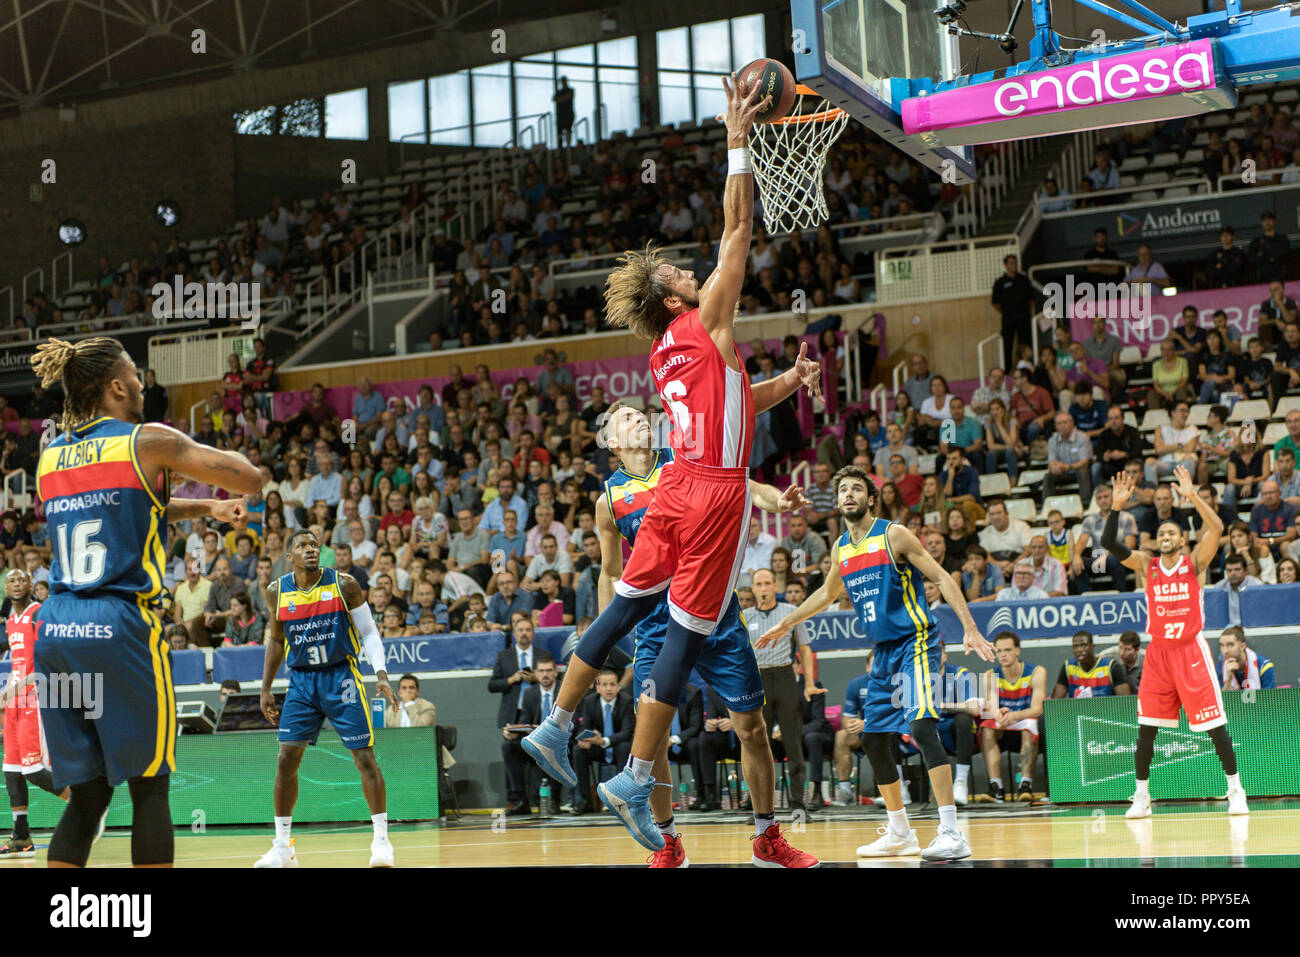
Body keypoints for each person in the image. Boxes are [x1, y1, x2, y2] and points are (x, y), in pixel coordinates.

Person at [520, 75, 822, 856]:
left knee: (623, 607)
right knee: (686, 633)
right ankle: (635, 771)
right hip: (715, 493)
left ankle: (557, 722)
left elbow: (731, 399)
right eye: (681, 275)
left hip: (678, 481)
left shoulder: (664, 350)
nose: (694, 271)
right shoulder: (706, 315)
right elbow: (739, 224)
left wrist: (787, 383)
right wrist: (735, 137)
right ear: (669, 293)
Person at [535, 401, 815, 866]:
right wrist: (611, 634)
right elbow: (610, 573)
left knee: (752, 728)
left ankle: (767, 837)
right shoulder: (609, 501)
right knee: (654, 736)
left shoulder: (686, 462)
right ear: (611, 442)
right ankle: (668, 843)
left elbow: (744, 485)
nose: (641, 419)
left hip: (718, 616)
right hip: (657, 628)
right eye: (627, 418)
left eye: (643, 414)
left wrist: (777, 500)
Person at [30, 337, 261, 869]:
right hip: (118, 623)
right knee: (149, 787)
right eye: (135, 375)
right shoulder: (148, 440)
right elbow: (248, 476)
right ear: (115, 386)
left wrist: (204, 508)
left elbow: (124, 503)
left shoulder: (50, 458)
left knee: (88, 796)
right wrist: (205, 471)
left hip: (58, 629)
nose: (141, 383)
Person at [757, 466, 994, 861]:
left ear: (871, 499)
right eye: (842, 489)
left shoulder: (894, 534)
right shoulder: (840, 548)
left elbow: (944, 578)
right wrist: (786, 621)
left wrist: (968, 627)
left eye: (856, 489)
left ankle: (952, 831)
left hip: (916, 641)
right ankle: (900, 832)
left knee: (921, 725)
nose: (848, 494)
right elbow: (826, 595)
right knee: (872, 738)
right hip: (883, 652)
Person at [1104, 466, 1248, 818]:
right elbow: (1109, 544)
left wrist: (1193, 496)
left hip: (1189, 651)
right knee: (1147, 730)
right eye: (1162, 532)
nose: (1165, 534)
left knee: (1215, 728)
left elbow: (1216, 529)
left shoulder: (1195, 562)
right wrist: (1117, 508)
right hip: (1158, 654)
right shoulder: (1146, 564)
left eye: (1172, 531)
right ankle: (1141, 796)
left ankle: (1235, 790)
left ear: (1182, 539)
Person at [255, 529, 399, 867]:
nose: (310, 550)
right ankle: (283, 848)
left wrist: (380, 674)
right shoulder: (276, 591)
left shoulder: (344, 584)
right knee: (286, 759)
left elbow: (369, 632)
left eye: (314, 545)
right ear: (288, 557)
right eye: (302, 546)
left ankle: (381, 841)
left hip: (341, 676)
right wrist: (265, 688)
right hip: (302, 681)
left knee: (364, 758)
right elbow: (276, 641)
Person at [0, 570, 70, 856]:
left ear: (32, 585)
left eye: (22, 580)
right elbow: (19, 664)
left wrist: (18, 688)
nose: (17, 584)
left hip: (35, 699)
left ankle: (83, 803)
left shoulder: (37, 613)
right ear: (5, 587)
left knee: (32, 769)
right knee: (11, 770)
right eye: (12, 581)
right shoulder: (11, 621)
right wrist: (8, 692)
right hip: (15, 703)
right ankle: (22, 836)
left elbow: (48, 662)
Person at [978, 631, 1048, 800]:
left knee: (1029, 726)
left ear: (1017, 650)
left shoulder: (1037, 672)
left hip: (1026, 730)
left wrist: (1014, 715)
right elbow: (989, 709)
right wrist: (998, 715)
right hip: (1003, 729)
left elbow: (1037, 709)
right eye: (999, 651)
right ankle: (996, 788)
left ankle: (1025, 785)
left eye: (1007, 650)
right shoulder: (989, 675)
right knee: (986, 728)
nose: (1003, 655)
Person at [1051, 631, 1132, 698]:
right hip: (1077, 715)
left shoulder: (1111, 666)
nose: (1079, 650)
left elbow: (1125, 704)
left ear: (1092, 647)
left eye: (1084, 645)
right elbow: (1054, 704)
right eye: (1075, 646)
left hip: (1106, 715)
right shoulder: (1068, 667)